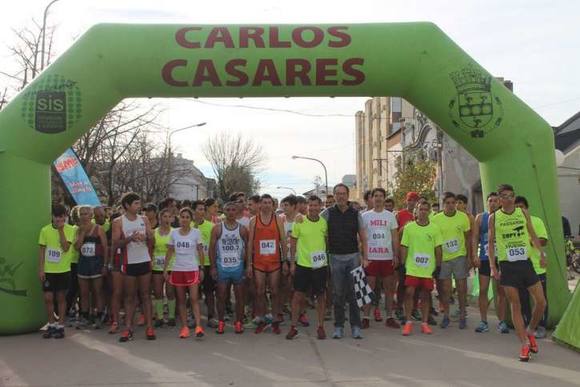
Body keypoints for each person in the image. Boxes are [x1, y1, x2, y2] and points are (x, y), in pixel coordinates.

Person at [489, 184, 547, 362]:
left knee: (541, 302)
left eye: (511, 196)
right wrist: (493, 266)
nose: (509, 199)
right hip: (507, 265)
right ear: (499, 200)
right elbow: (490, 243)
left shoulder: (522, 213)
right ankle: (524, 344)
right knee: (516, 305)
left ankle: (530, 331)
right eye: (505, 196)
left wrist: (542, 253)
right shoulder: (494, 218)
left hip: (526, 264)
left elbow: (533, 234)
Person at [321, 184, 368, 339]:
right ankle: (339, 326)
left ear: (348, 196)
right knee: (337, 294)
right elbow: (314, 226)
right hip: (335, 258)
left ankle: (356, 326)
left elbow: (362, 236)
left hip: (353, 257)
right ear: (334, 196)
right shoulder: (327, 213)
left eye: (343, 194)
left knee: (355, 294)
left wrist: (365, 257)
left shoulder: (356, 214)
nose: (340, 196)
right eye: (337, 194)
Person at [111, 192, 156, 342]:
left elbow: (152, 238)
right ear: (127, 206)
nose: (139, 206)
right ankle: (128, 328)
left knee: (145, 295)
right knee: (129, 297)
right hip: (128, 263)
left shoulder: (144, 219)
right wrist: (130, 238)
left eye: (139, 203)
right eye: (136, 203)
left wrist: (147, 236)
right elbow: (115, 243)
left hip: (144, 260)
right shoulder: (118, 222)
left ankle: (150, 327)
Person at [286, 195, 329, 340]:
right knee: (298, 296)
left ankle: (320, 327)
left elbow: (327, 242)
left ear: (320, 206)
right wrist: (292, 263)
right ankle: (293, 327)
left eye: (316, 205)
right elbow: (292, 243)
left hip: (320, 266)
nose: (313, 208)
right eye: (310, 205)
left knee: (321, 296)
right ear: (307, 207)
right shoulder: (300, 221)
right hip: (303, 265)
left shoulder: (324, 223)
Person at [400, 200, 443, 335]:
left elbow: (438, 248)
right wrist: (402, 264)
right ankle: (408, 321)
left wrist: (438, 266)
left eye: (425, 209)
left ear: (429, 212)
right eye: (420, 209)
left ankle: (424, 323)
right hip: (412, 267)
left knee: (425, 295)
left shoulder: (434, 228)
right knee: (409, 293)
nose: (423, 212)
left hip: (427, 268)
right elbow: (404, 247)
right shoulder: (409, 228)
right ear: (416, 211)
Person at [246, 194, 287, 334]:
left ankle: (275, 319)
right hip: (259, 262)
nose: (267, 205)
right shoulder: (253, 220)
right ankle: (261, 318)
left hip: (274, 262)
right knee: (259, 291)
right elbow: (250, 243)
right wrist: (249, 264)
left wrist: (285, 261)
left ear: (272, 205)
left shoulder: (278, 220)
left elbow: (283, 241)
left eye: (269, 202)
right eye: (264, 202)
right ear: (260, 204)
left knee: (275, 291)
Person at [164, 207, 206, 338]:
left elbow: (200, 251)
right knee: (181, 300)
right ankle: (184, 327)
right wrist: (166, 269)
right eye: (182, 217)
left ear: (191, 219)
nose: (185, 219)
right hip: (177, 269)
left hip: (192, 269)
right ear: (179, 218)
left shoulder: (196, 233)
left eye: (187, 217)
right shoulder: (174, 233)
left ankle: (199, 326)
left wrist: (202, 268)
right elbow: (169, 252)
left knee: (193, 298)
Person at [361, 188, 400, 329]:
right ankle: (366, 317)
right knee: (368, 289)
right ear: (371, 198)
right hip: (371, 257)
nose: (378, 198)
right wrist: (363, 256)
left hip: (387, 257)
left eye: (380, 196)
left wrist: (396, 254)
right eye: (375, 196)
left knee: (389, 289)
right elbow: (361, 238)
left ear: (384, 198)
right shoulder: (365, 216)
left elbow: (395, 237)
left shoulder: (390, 216)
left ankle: (389, 317)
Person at [432, 192, 471, 329]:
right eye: (447, 203)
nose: (450, 205)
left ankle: (462, 316)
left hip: (459, 256)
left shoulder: (463, 218)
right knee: (445, 290)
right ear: (443, 204)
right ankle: (446, 316)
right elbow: (434, 240)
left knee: (461, 288)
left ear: (455, 203)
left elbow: (468, 238)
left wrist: (470, 257)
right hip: (444, 259)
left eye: (452, 203)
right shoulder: (436, 219)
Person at [472, 192, 509, 334]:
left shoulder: (503, 217)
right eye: (490, 200)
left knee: (501, 291)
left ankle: (501, 321)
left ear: (499, 203)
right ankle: (483, 321)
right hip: (485, 258)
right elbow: (474, 238)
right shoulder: (480, 218)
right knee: (483, 290)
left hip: (500, 258)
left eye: (495, 201)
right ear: (486, 202)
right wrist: (474, 255)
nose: (492, 203)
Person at [209, 201, 248, 334]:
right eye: (228, 210)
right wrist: (213, 267)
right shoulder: (217, 228)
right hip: (222, 267)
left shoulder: (242, 229)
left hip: (238, 267)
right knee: (221, 296)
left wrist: (247, 266)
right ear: (224, 212)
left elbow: (248, 249)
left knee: (239, 297)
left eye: (233, 210)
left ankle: (239, 322)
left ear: (237, 212)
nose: (231, 212)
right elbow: (212, 249)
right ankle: (221, 322)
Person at [39, 204, 77, 339]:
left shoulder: (70, 230)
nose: (58, 219)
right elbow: (42, 250)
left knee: (61, 298)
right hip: (49, 270)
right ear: (52, 217)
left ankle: (60, 326)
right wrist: (41, 269)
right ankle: (51, 324)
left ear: (65, 217)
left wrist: (61, 230)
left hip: (63, 269)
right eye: (56, 217)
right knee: (48, 298)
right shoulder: (45, 230)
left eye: (61, 217)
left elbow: (66, 248)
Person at [515, 196, 549, 339]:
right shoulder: (511, 223)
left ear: (527, 208)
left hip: (537, 267)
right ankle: (528, 325)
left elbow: (543, 240)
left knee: (541, 299)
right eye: (517, 207)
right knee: (522, 299)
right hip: (519, 267)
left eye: (522, 207)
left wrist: (528, 240)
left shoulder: (536, 221)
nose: (519, 210)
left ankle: (540, 326)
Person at [74, 206, 108, 329]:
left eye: (86, 214)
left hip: (96, 263)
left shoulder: (98, 229)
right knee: (83, 292)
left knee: (97, 291)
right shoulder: (78, 230)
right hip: (83, 263)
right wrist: (82, 233)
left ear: (91, 215)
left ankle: (99, 315)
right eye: (81, 214)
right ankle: (84, 316)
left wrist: (105, 265)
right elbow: (77, 247)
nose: (83, 216)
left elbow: (105, 247)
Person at [192, 200, 218, 328]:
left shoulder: (211, 226)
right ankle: (193, 317)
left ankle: (211, 317)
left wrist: (214, 265)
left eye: (203, 209)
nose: (201, 212)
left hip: (207, 263)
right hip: (192, 264)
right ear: (193, 211)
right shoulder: (188, 225)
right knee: (194, 293)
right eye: (199, 209)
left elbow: (213, 247)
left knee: (209, 292)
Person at [394, 191, 419, 321]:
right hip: (404, 255)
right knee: (403, 284)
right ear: (406, 201)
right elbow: (396, 236)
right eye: (410, 200)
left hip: (418, 256)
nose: (412, 203)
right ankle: (399, 307)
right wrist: (397, 254)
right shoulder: (400, 215)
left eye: (415, 200)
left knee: (417, 285)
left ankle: (414, 309)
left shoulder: (422, 215)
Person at [151, 208, 176, 327]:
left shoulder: (175, 232)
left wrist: (172, 248)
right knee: (157, 292)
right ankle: (160, 317)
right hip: (157, 266)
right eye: (164, 216)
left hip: (171, 266)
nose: (166, 219)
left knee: (170, 292)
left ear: (172, 218)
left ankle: (171, 317)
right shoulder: (153, 232)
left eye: (168, 217)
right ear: (159, 218)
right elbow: (150, 248)